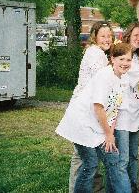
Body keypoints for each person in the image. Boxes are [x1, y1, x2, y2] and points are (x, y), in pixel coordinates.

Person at [56, 43, 133, 193]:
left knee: (113, 159)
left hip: (98, 127)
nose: (125, 63)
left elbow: (115, 110)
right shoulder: (105, 75)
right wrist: (109, 134)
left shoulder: (124, 80)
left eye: (128, 60)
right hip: (81, 124)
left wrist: (109, 134)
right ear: (112, 59)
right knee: (90, 164)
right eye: (121, 59)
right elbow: (98, 107)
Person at [69, 21, 114, 193]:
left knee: (87, 154)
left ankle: (93, 189)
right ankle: (76, 189)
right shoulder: (94, 53)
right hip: (83, 111)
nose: (107, 39)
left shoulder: (99, 53)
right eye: (103, 36)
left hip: (88, 111)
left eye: (109, 36)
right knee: (83, 157)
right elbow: (102, 79)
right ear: (95, 37)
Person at [115, 23, 139, 192]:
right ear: (128, 36)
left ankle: (132, 187)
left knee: (133, 157)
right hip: (122, 115)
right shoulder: (124, 56)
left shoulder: (136, 57)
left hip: (134, 116)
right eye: (136, 35)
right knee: (122, 160)